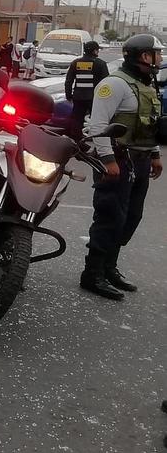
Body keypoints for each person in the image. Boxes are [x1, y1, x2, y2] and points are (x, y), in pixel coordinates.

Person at [80, 34, 163, 300]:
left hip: (140, 160)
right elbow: (98, 124)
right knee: (110, 216)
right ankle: (92, 273)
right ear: (144, 56)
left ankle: (109, 267)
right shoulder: (114, 84)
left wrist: (154, 154)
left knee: (131, 217)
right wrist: (107, 160)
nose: (159, 58)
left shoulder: (146, 85)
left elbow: (148, 124)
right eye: (156, 54)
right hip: (118, 160)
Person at [64, 40, 109, 138]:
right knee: (97, 121)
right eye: (97, 50)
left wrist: (69, 95)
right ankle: (96, 140)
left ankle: (75, 141)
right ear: (94, 51)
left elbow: (69, 81)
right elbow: (106, 82)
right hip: (95, 98)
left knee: (77, 120)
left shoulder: (76, 63)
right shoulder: (100, 64)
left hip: (78, 97)